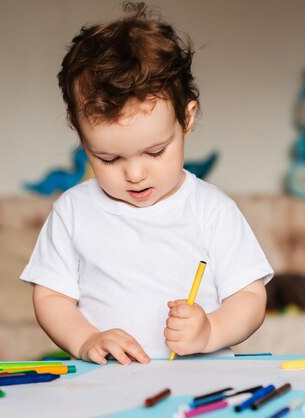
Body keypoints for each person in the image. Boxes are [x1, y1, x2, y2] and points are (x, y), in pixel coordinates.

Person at [21, 2, 273, 365]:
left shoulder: (211, 209)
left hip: (201, 383)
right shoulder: (73, 211)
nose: (135, 174)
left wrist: (211, 331)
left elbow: (250, 298)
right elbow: (51, 298)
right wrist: (86, 339)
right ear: (81, 138)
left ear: (186, 119)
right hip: (107, 383)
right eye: (108, 159)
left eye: (155, 152)